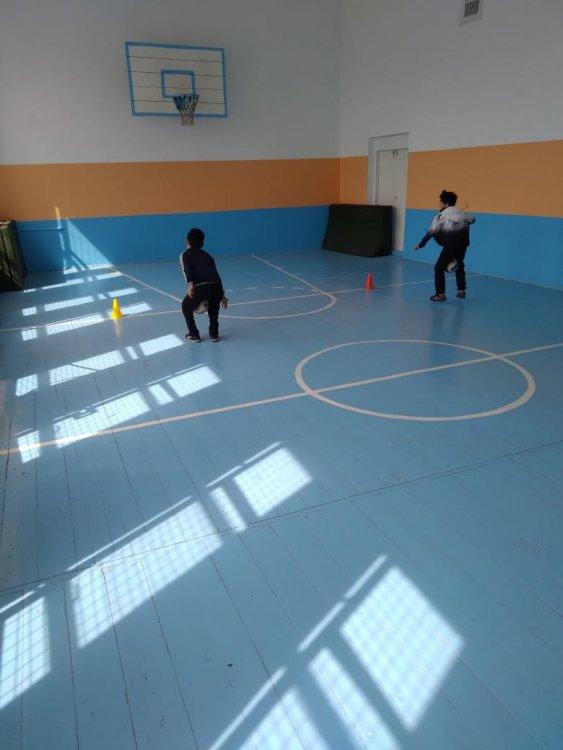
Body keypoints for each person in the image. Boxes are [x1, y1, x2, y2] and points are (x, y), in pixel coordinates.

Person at [414, 190, 476, 301]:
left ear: (446, 204)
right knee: (460, 265)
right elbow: (473, 219)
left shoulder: (440, 217)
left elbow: (431, 232)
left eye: (440, 202)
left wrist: (421, 244)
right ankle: (461, 291)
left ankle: (440, 294)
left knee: (438, 268)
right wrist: (460, 215)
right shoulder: (463, 215)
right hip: (463, 246)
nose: (439, 204)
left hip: (450, 247)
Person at [180, 228, 227, 342]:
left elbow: (187, 271)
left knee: (186, 306)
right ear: (202, 243)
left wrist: (190, 285)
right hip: (216, 287)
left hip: (201, 288)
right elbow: (216, 275)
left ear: (187, 242)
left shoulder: (185, 254)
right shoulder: (208, 255)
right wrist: (222, 295)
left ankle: (194, 334)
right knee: (214, 307)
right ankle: (214, 335)